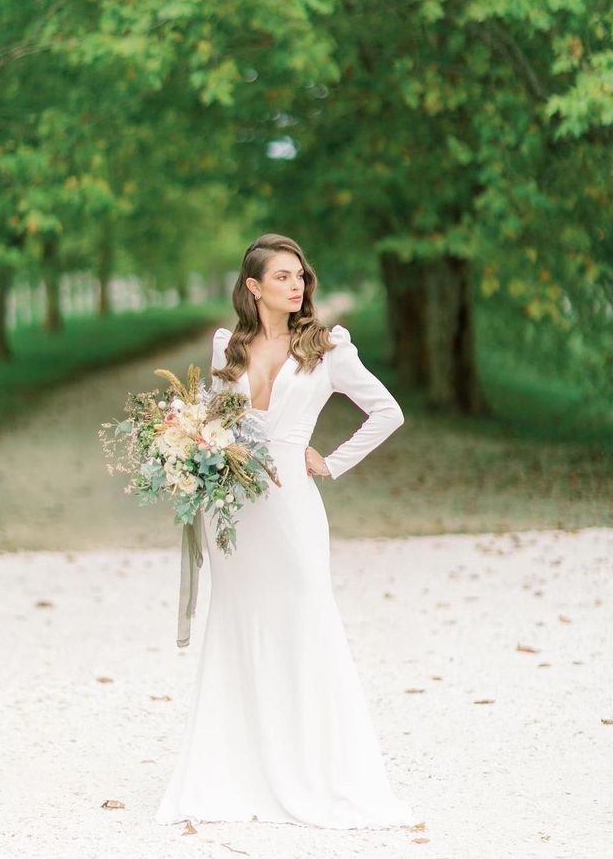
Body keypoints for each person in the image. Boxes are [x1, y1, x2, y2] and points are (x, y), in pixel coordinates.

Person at [155, 233, 414, 829]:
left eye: (300, 276)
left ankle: (315, 768)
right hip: (234, 513)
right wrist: (189, 451)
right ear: (253, 288)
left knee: (305, 619)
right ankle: (237, 771)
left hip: (293, 508)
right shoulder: (228, 346)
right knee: (239, 626)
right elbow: (211, 421)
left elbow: (387, 411)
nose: (296, 286)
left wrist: (332, 461)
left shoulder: (328, 349)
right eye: (281, 277)